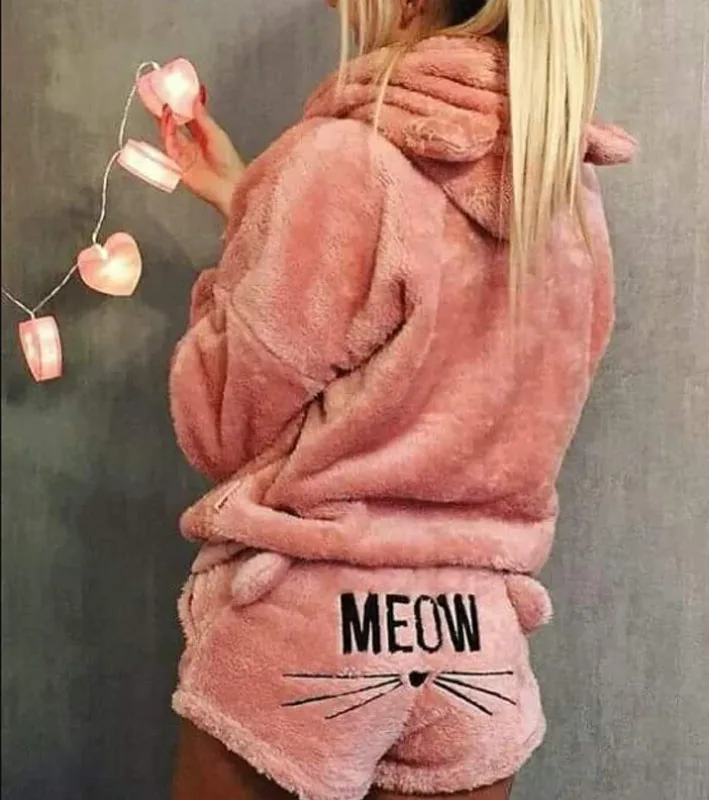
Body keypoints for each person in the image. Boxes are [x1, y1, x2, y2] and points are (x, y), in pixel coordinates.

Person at [161, 1, 636, 798]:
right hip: (474, 643)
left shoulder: (341, 160)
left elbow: (220, 422)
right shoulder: (563, 189)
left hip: (313, 629)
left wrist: (254, 244)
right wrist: (250, 198)